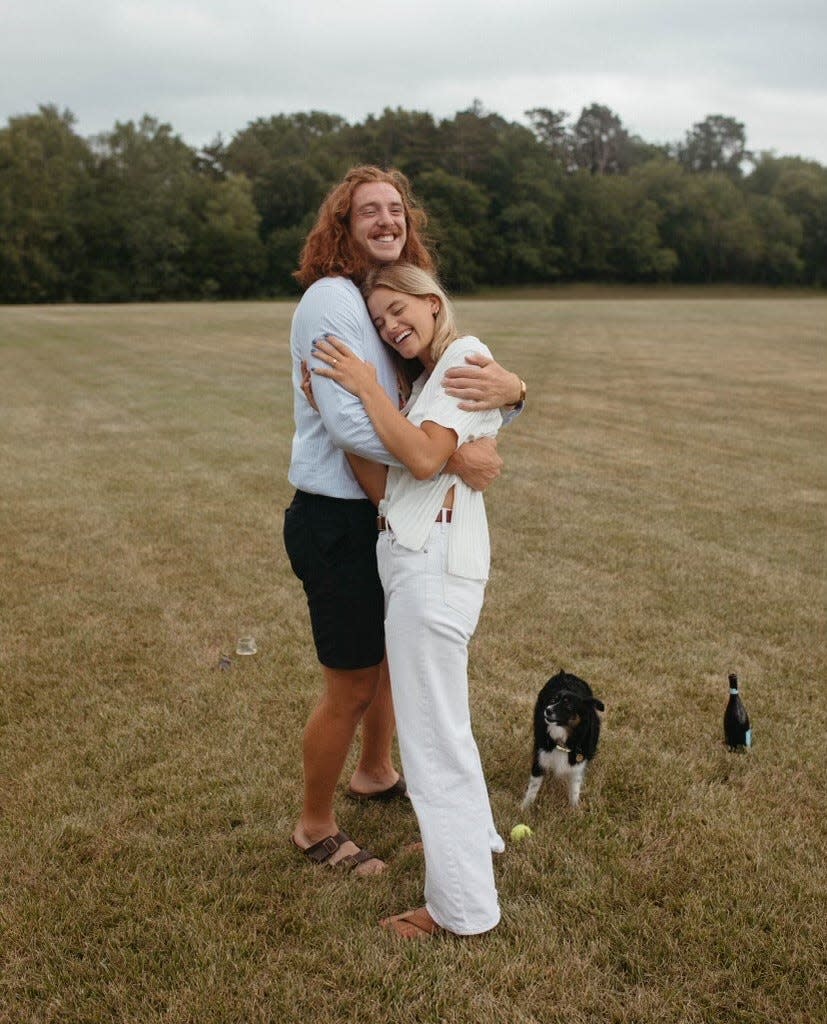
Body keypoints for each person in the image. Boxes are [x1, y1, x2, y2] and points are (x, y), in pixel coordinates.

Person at [284, 166, 525, 878]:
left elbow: (453, 388)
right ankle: (315, 826)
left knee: (390, 666)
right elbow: (356, 424)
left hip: (386, 514)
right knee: (352, 683)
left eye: (396, 209)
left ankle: (377, 772)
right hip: (336, 516)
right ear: (343, 225)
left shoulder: (385, 295)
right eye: (369, 211)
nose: (386, 220)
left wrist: (514, 393)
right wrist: (448, 461)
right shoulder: (332, 299)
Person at [311, 263, 507, 938]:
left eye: (400, 309)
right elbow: (392, 481)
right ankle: (473, 840)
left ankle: (459, 912)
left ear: (431, 301)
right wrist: (335, 408)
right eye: (381, 320)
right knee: (443, 722)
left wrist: (365, 388)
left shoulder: (461, 357)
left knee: (430, 739)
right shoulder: (424, 380)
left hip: (434, 568)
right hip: (412, 560)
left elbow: (423, 459)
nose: (392, 326)